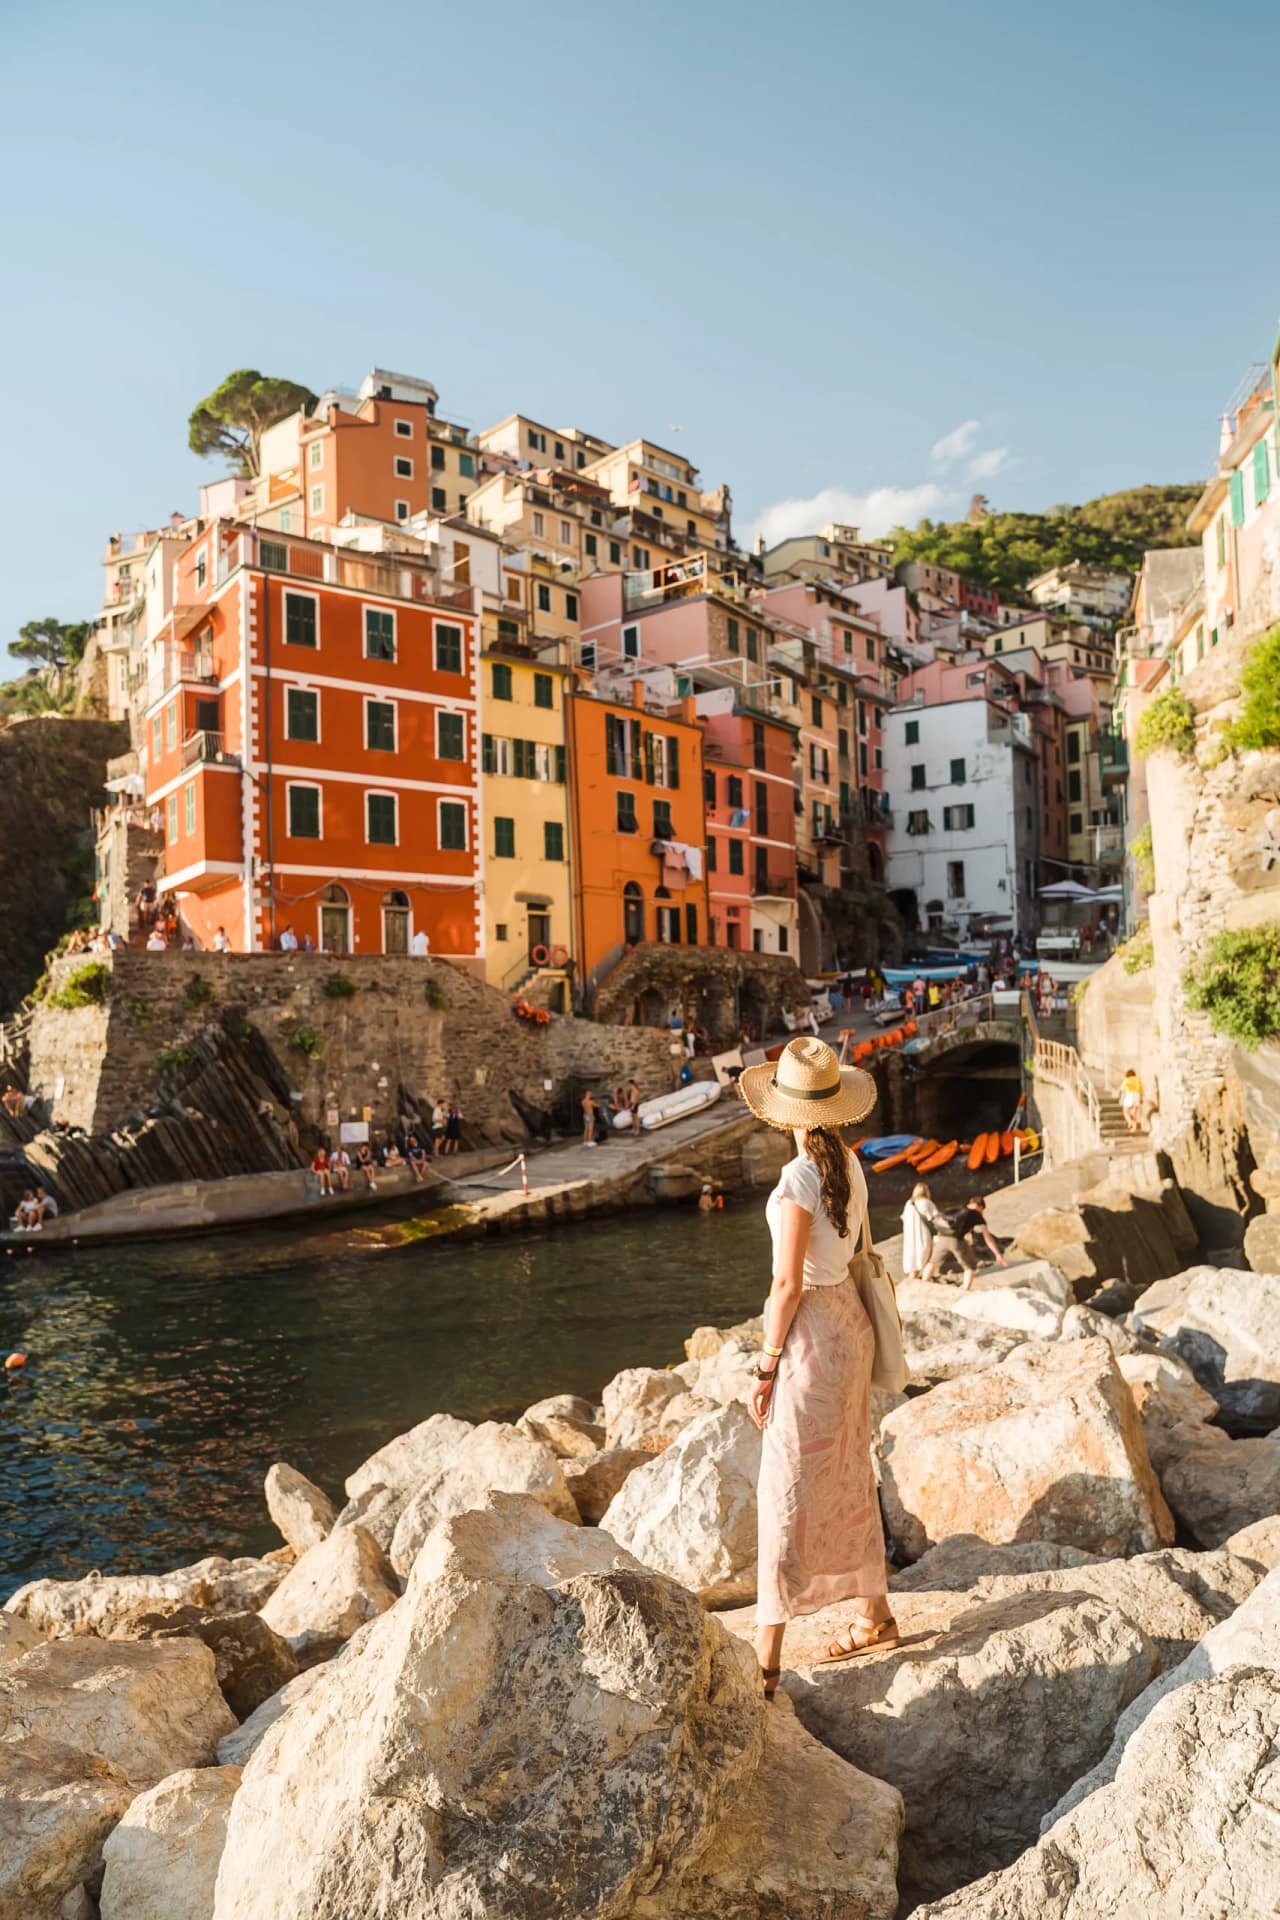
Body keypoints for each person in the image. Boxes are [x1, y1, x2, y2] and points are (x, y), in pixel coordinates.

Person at [738, 1036, 895, 1694]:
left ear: (784, 1114)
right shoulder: (850, 1164)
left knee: (787, 1490)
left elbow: (785, 1286)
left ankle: (766, 1661)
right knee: (848, 1472)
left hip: (810, 1342)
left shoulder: (798, 1177)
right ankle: (875, 1615)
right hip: (850, 1329)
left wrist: (765, 1365)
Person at [921, 1194, 1008, 1290]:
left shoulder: (958, 1209)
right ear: (980, 1207)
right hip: (956, 1241)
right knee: (969, 1267)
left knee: (932, 1263)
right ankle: (965, 1290)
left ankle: (922, 1284)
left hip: (942, 1239)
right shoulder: (976, 1215)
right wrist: (998, 1254)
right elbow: (988, 1238)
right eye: (982, 1210)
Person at [902, 1179, 940, 1282]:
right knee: (929, 1259)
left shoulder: (908, 1203)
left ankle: (912, 1283)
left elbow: (903, 1218)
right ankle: (924, 1282)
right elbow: (937, 1218)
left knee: (914, 1264)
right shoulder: (927, 1203)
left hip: (910, 1237)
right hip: (923, 1235)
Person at [1119, 1067, 1145, 1134]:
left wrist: (1120, 1097)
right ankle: (1134, 1127)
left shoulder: (1127, 1079)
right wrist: (1141, 1099)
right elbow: (1141, 1090)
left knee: (1125, 1111)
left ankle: (1130, 1122)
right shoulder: (1138, 1080)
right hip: (1137, 1096)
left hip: (1130, 1095)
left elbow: (1122, 1089)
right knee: (1134, 1112)